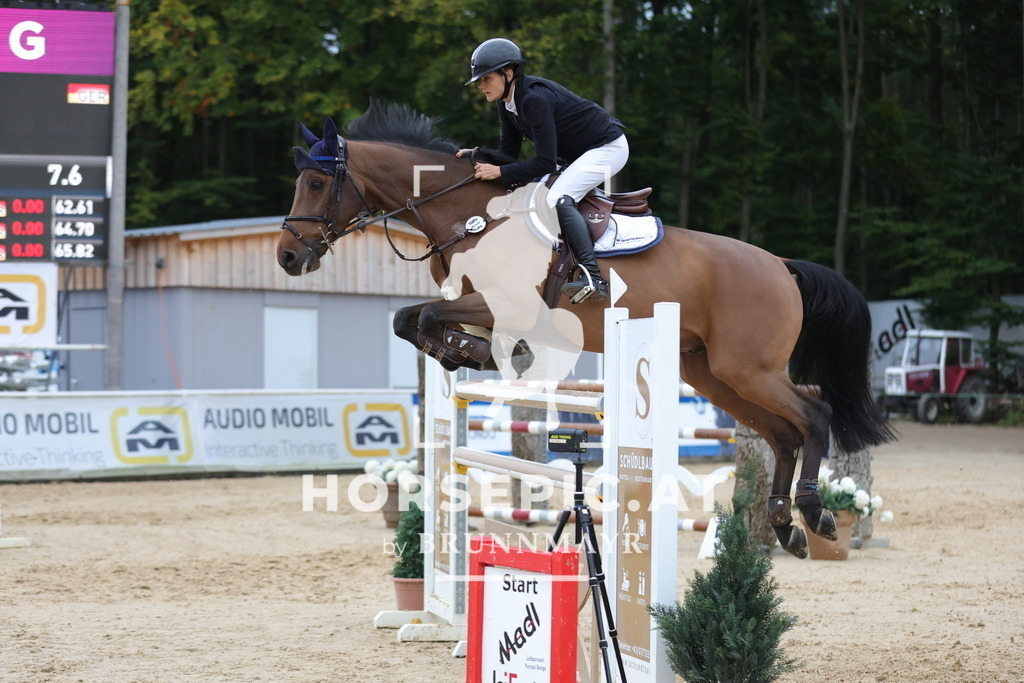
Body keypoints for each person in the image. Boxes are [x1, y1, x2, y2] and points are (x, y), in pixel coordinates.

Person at [458, 38, 628, 304]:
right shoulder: (507, 102)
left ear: (508, 74)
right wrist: (476, 154)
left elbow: (545, 163)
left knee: (557, 198)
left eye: (486, 78)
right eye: (479, 80)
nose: (481, 85)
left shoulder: (535, 99)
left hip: (607, 148)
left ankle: (594, 278)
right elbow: (508, 155)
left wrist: (499, 173)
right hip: (580, 154)